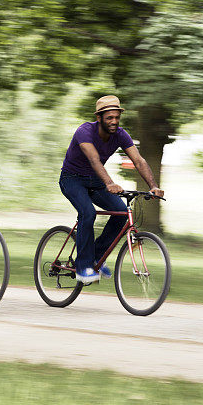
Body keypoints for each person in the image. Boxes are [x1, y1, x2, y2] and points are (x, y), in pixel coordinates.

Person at [59, 95, 164, 284]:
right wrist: (109, 183)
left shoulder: (121, 134)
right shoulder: (85, 131)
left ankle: (96, 257)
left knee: (122, 213)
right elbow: (94, 160)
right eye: (109, 118)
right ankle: (83, 268)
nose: (114, 121)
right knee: (88, 213)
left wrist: (153, 186)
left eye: (117, 117)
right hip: (72, 179)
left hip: (96, 181)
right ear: (99, 118)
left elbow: (138, 161)